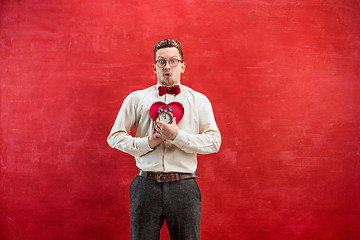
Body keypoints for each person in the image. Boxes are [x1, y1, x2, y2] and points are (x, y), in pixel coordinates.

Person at [107, 39, 221, 240]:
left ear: (183, 66)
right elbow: (114, 137)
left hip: (185, 187)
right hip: (145, 185)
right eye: (161, 61)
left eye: (173, 61)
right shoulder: (136, 99)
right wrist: (148, 143)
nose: (167, 66)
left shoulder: (200, 101)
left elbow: (214, 142)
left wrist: (176, 136)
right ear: (154, 67)